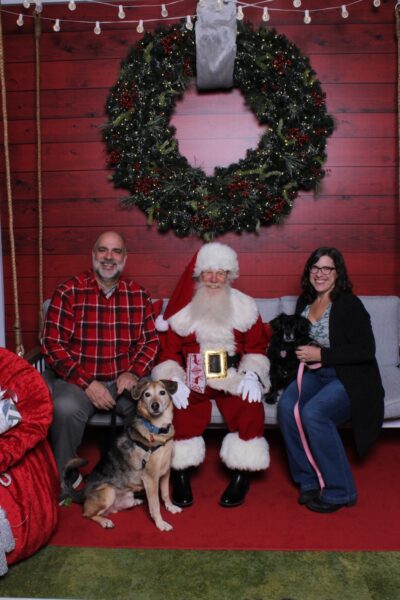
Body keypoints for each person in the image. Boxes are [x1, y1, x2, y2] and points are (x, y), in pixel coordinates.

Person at [41, 231, 160, 501]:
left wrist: (133, 371)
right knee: (65, 407)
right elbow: (52, 344)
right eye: (103, 250)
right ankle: (61, 479)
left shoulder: (138, 295)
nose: (109, 257)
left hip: (123, 381)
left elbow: (150, 342)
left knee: (148, 408)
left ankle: (132, 479)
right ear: (93, 255)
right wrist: (87, 383)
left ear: (124, 258)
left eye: (116, 251)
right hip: (79, 380)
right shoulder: (69, 291)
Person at [152, 242, 270, 508]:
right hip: (194, 377)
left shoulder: (246, 306)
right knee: (179, 410)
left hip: (231, 374)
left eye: (221, 273)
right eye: (208, 272)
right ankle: (180, 473)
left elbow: (256, 346)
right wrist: (173, 382)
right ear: (199, 275)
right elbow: (168, 354)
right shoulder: (182, 310)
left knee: (250, 405)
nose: (214, 279)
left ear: (230, 275)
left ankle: (242, 473)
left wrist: (252, 374)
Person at [277, 247, 384, 513]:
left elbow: (366, 350)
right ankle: (309, 481)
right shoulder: (304, 301)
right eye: (315, 268)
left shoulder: (349, 304)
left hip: (347, 376)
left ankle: (340, 491)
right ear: (309, 272)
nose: (320, 274)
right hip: (313, 374)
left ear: (338, 273)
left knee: (314, 413)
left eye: (327, 268)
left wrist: (322, 354)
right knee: (286, 409)